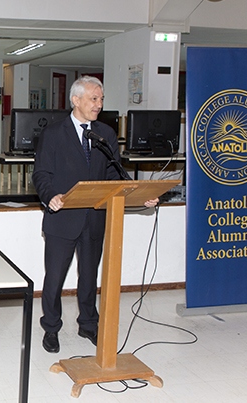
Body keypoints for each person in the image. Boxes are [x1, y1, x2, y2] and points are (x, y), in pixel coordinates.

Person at [33, 76, 157, 353]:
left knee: (89, 277)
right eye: (93, 99)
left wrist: (138, 196)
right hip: (62, 218)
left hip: (95, 217)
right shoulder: (53, 133)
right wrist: (50, 196)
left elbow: (114, 174)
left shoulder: (105, 134)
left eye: (101, 99)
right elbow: (41, 173)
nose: (99, 104)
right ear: (75, 100)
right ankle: (51, 327)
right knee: (54, 278)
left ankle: (88, 324)